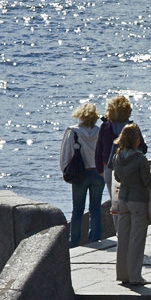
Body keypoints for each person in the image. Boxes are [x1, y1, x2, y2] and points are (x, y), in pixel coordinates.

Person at [112, 123, 151, 286]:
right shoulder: (140, 158)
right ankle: (135, 276)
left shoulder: (118, 156)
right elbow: (148, 182)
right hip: (138, 201)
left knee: (123, 239)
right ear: (136, 140)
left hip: (123, 199)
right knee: (137, 240)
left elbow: (117, 177)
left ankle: (123, 275)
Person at [60, 102, 104, 247]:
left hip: (80, 174)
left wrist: (65, 170)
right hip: (98, 173)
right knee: (95, 208)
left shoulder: (73, 132)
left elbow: (66, 154)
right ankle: (95, 239)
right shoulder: (101, 131)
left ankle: (74, 241)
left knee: (77, 209)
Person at [95, 95, 144, 204]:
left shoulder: (105, 127)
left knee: (115, 203)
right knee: (132, 201)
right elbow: (143, 148)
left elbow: (99, 150)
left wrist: (100, 170)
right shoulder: (133, 127)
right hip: (131, 167)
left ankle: (118, 221)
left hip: (110, 168)